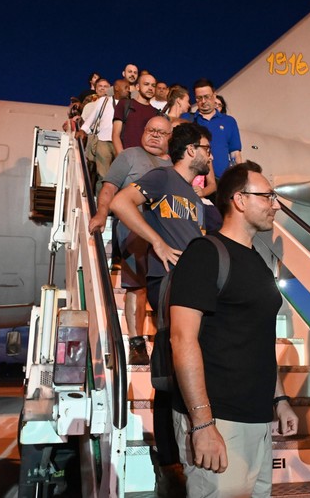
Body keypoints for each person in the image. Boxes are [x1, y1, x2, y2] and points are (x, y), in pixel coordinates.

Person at [169, 161, 298, 497]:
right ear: (239, 200)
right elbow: (182, 339)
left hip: (258, 420)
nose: (274, 204)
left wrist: (280, 398)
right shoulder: (205, 254)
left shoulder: (258, 260)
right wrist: (202, 423)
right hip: (220, 421)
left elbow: (259, 338)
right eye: (267, 196)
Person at [110, 122, 212, 496]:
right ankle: (170, 461)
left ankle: (181, 450)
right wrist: (156, 242)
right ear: (190, 152)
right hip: (168, 283)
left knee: (186, 363)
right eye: (206, 148)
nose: (210, 155)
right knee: (171, 368)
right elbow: (121, 202)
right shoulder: (162, 178)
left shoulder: (193, 197)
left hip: (189, 283)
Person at [88, 116, 173, 366]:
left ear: (171, 138)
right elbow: (109, 188)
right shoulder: (129, 156)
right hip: (133, 228)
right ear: (143, 132)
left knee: (168, 289)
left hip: (166, 231)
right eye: (150, 130)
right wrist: (102, 213)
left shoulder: (174, 166)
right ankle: (137, 343)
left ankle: (166, 340)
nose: (155, 135)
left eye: (162, 133)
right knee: (137, 285)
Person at [181, 79, 242, 178]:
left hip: (222, 181)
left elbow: (235, 153)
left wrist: (239, 179)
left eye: (206, 96)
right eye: (199, 98)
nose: (203, 101)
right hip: (193, 180)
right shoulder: (186, 119)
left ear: (214, 95)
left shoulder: (229, 121)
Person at [80, 79, 130, 186]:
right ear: (116, 88)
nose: (128, 91)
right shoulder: (104, 101)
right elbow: (93, 116)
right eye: (126, 88)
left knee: (118, 177)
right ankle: (100, 200)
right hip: (103, 141)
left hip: (121, 144)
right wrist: (83, 129)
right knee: (103, 175)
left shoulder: (129, 104)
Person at [112, 72, 158, 155]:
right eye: (146, 84)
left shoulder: (156, 113)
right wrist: (122, 157)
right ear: (137, 87)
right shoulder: (125, 104)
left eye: (153, 85)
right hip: (128, 158)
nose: (150, 88)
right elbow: (115, 134)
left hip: (148, 161)